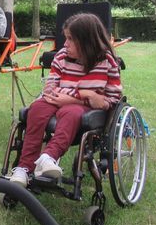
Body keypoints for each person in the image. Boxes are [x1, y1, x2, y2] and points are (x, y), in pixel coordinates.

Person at [9, 13, 122, 187]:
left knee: (71, 112)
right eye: (66, 38)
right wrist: (86, 94)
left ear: (87, 41)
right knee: (37, 108)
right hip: (57, 99)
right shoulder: (61, 56)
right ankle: (24, 168)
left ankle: (48, 158)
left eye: (71, 39)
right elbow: (50, 88)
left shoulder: (107, 62)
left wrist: (73, 99)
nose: (65, 44)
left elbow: (112, 99)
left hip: (81, 108)